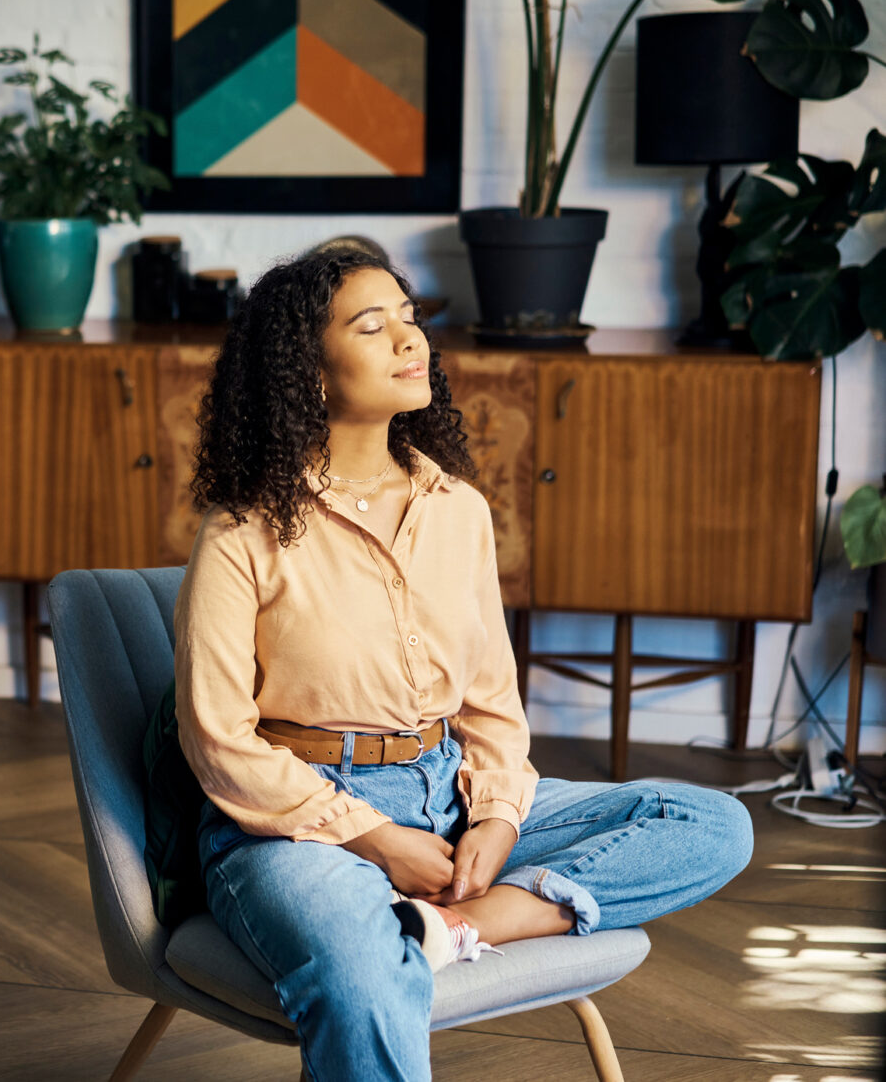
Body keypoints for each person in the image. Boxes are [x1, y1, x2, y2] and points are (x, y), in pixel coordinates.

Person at [173, 248, 753, 1082]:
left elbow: (490, 704)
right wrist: (375, 839)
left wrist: (498, 821)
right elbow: (218, 739)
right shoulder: (244, 532)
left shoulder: (460, 512)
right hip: (294, 823)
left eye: (410, 318)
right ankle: (416, 926)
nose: (411, 340)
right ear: (308, 369)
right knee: (361, 969)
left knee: (713, 824)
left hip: (450, 795)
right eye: (373, 327)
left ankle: (469, 923)